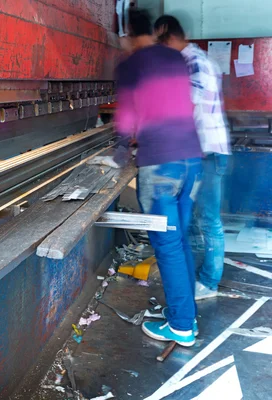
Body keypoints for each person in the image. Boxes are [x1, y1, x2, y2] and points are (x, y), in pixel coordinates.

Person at [115, 9, 202, 346]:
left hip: (162, 167)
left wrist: (120, 152)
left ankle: (182, 326)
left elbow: (126, 115)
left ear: (127, 34)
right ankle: (185, 314)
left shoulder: (130, 65)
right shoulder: (174, 57)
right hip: (191, 162)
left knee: (166, 246)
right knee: (179, 241)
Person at [154, 15, 231, 300]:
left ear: (170, 38)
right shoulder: (196, 60)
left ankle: (209, 283)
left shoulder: (194, 62)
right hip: (202, 150)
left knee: (209, 219)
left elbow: (186, 107)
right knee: (200, 218)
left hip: (208, 152)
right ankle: (200, 277)